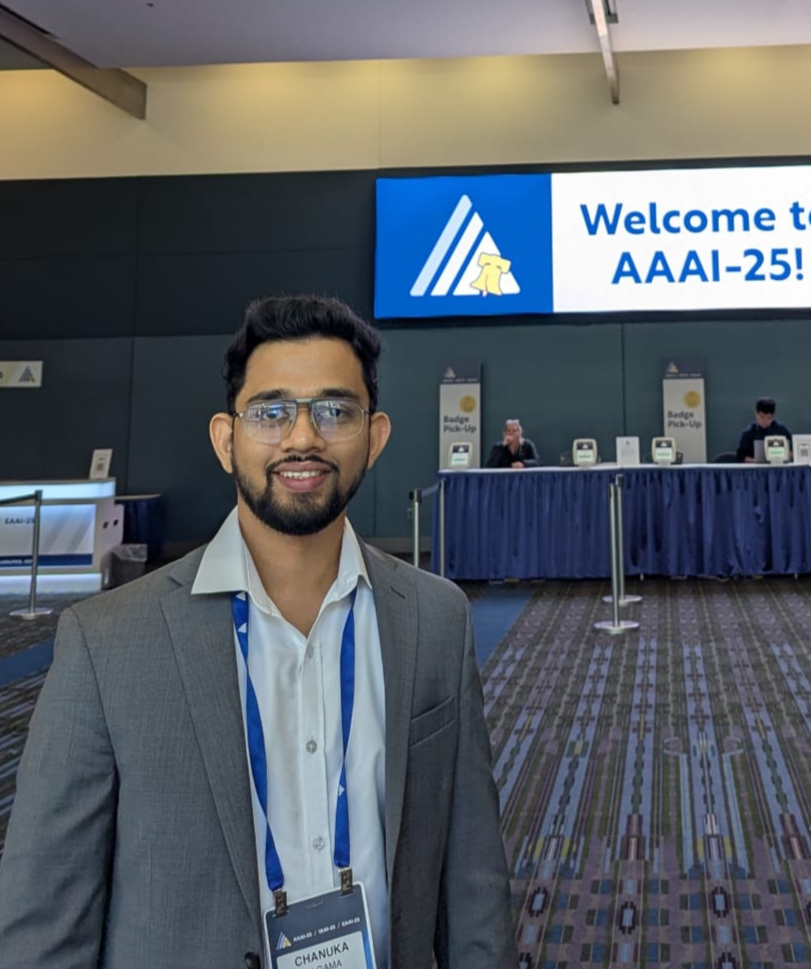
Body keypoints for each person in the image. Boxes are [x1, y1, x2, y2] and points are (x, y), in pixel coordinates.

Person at [0, 295, 516, 969]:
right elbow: (45, 916)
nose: (302, 438)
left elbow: (472, 877)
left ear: (375, 435)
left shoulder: (436, 618)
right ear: (226, 440)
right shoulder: (106, 643)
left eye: (334, 411)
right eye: (271, 413)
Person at [736, 397, 793, 462]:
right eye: (762, 417)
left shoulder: (781, 430)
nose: (765, 421)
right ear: (756, 415)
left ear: (773, 417)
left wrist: (784, 457)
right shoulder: (749, 432)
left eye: (769, 418)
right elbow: (741, 457)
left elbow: (793, 451)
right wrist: (755, 462)